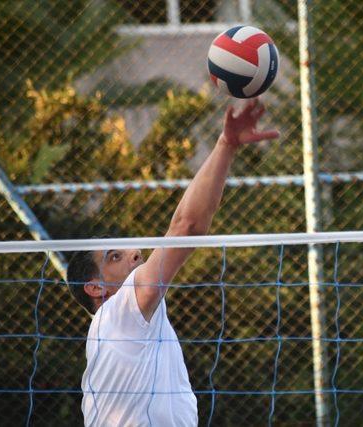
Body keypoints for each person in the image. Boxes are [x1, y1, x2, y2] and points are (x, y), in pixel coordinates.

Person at [66, 99, 279, 427]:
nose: (136, 254)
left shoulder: (127, 329)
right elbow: (187, 227)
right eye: (114, 257)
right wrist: (226, 145)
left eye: (128, 249)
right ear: (96, 288)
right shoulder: (119, 311)